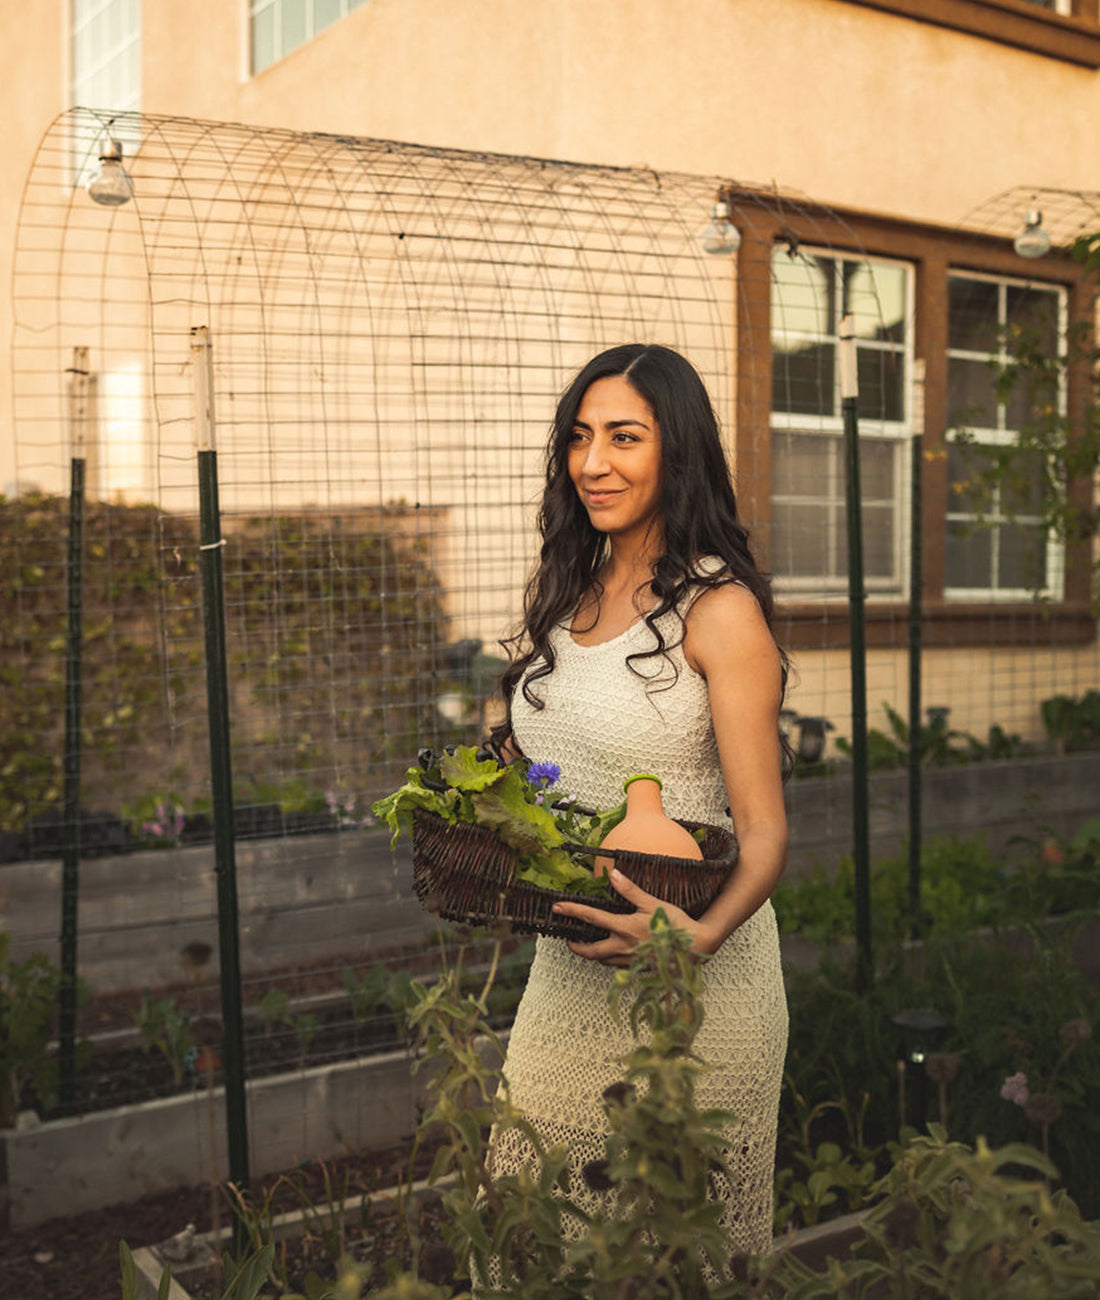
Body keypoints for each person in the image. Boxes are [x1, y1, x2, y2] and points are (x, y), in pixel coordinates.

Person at [487, 342, 790, 1263]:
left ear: (678, 453)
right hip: (569, 972)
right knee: (530, 1226)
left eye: (624, 436)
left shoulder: (718, 609)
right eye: (580, 437)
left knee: (679, 1258)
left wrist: (692, 942)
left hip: (703, 984)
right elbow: (558, 767)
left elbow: (767, 834)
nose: (592, 463)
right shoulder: (567, 592)